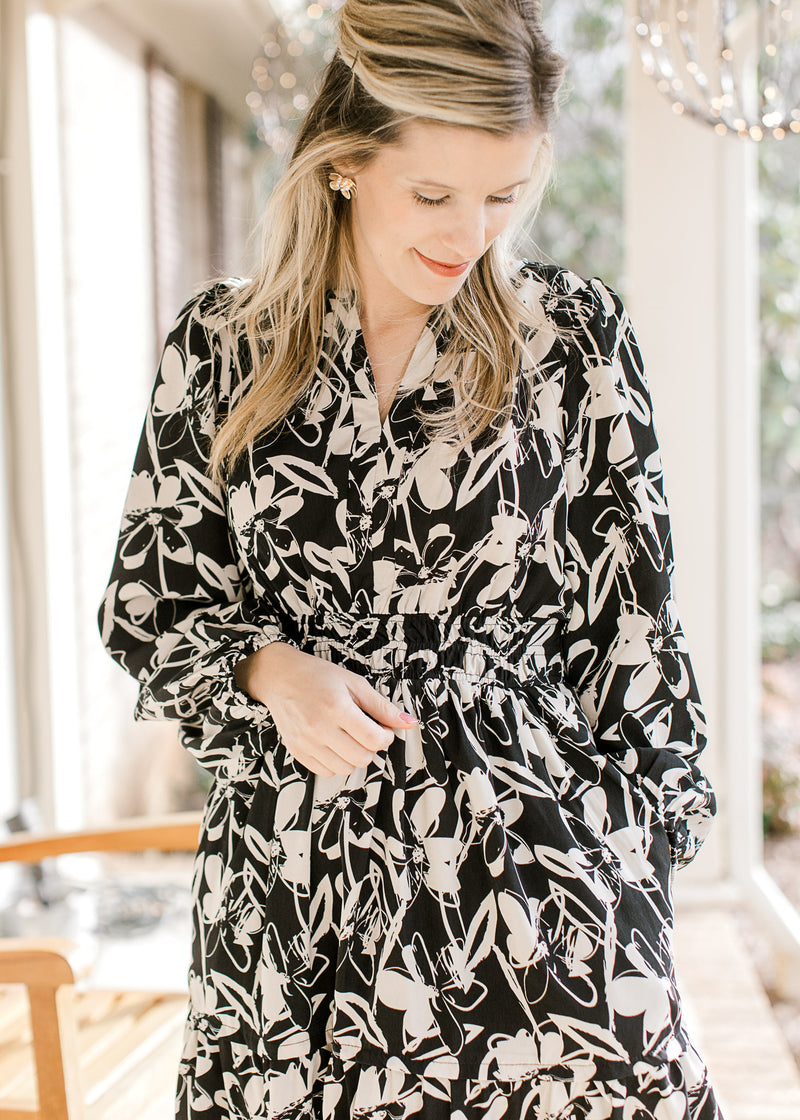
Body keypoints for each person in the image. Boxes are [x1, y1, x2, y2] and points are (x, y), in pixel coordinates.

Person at [98, 1, 724, 1117]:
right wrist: (269, 670)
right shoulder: (219, 348)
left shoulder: (569, 339)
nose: (467, 231)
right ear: (343, 163)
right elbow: (151, 602)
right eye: (432, 194)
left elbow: (634, 623)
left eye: (502, 194)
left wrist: (640, 866)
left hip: (540, 886)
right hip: (298, 899)